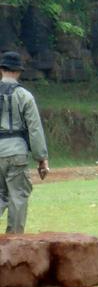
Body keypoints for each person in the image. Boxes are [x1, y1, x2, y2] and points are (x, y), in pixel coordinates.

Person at [0, 51, 49, 234]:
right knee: (18, 197)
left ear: (1, 70)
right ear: (18, 72)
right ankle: (13, 243)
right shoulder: (24, 96)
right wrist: (41, 158)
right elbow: (34, 129)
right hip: (16, 153)